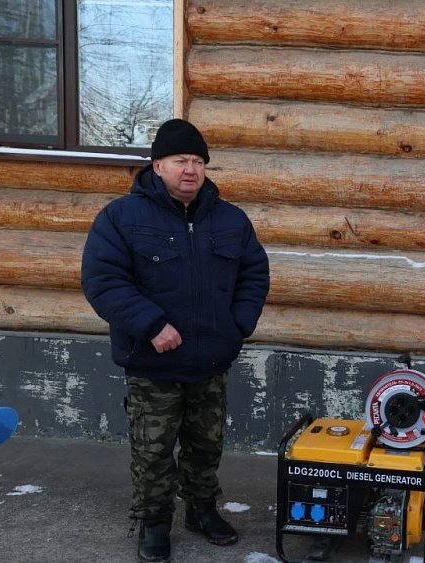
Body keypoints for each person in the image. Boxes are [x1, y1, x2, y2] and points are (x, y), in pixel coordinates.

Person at [81, 119, 270, 563]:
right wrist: (150, 325)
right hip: (153, 363)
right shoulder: (121, 218)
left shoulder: (230, 220)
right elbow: (103, 281)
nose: (191, 169)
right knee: (153, 451)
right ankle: (153, 523)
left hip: (210, 362)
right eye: (181, 160)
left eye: (198, 161)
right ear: (157, 165)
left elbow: (254, 274)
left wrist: (236, 327)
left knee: (206, 446)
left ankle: (201, 511)